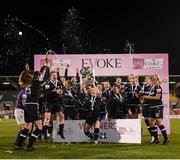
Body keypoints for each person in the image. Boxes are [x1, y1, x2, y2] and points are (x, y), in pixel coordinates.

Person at [141, 75, 169, 145]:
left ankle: (166, 139)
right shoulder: (150, 87)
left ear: (153, 80)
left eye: (149, 80)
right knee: (151, 123)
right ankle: (156, 139)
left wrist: (146, 96)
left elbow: (157, 97)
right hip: (151, 107)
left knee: (158, 122)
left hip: (157, 107)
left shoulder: (158, 87)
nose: (148, 81)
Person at [23, 71, 44, 151]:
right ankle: (30, 145)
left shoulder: (29, 83)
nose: (41, 77)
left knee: (27, 127)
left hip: (27, 105)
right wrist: (45, 68)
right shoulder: (37, 82)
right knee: (39, 127)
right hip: (33, 105)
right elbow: (45, 77)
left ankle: (18, 143)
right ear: (38, 76)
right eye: (41, 76)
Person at [43, 71, 65, 140]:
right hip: (49, 102)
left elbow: (63, 89)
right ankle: (45, 134)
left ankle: (60, 131)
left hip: (56, 101)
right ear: (51, 76)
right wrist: (56, 92)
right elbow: (47, 93)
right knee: (47, 118)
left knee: (61, 116)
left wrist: (62, 92)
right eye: (54, 75)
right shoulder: (48, 83)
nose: (55, 76)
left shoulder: (58, 82)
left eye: (56, 75)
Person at [13, 70, 33, 150]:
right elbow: (24, 103)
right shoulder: (24, 91)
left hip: (22, 110)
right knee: (25, 128)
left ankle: (20, 142)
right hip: (20, 110)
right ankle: (17, 144)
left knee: (27, 128)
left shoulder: (24, 89)